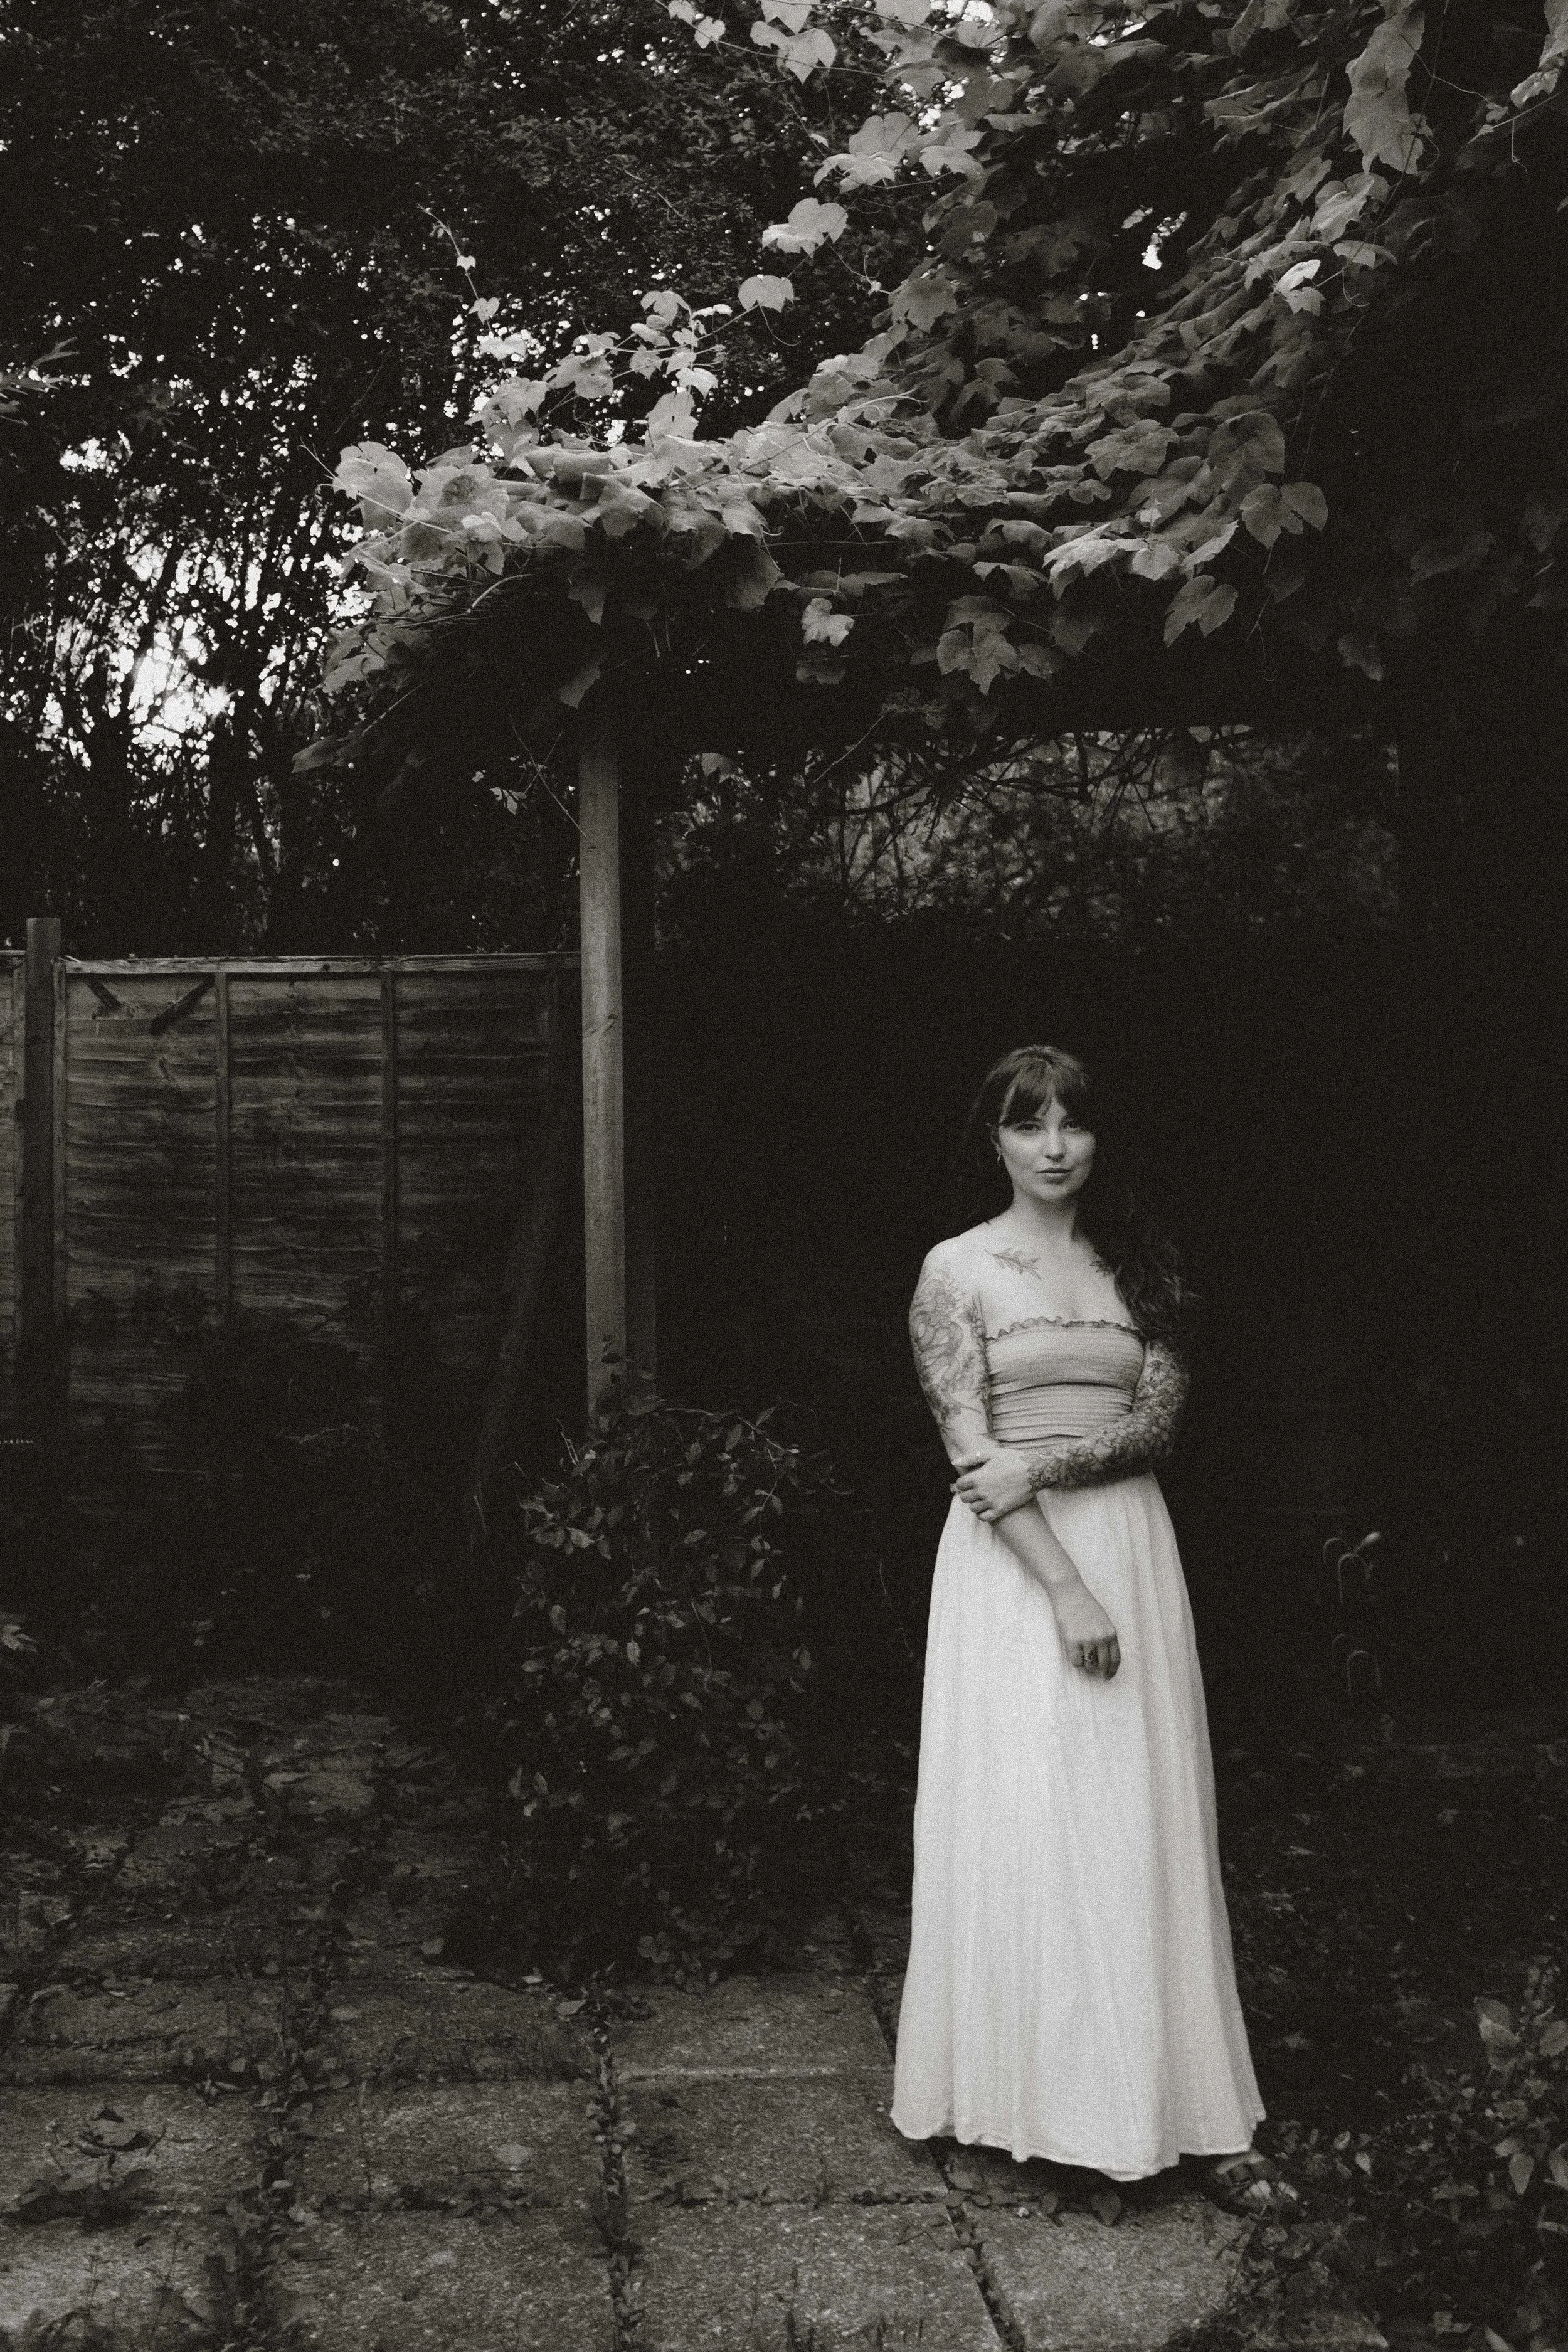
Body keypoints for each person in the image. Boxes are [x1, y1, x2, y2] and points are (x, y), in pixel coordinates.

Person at [889, 1042, 1292, 2215]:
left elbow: (1159, 1420)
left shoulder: (1140, 1263)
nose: (1055, 1146)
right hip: (1016, 1566)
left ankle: (1177, 2104)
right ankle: (1030, 2103)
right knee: (1028, 1810)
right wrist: (1063, 1584)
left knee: (1137, 1814)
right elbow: (971, 1448)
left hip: (1130, 1543)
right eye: (1029, 1124)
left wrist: (1052, 1469)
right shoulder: (955, 1269)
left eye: (1073, 1123)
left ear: (1099, 1136)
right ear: (996, 1140)